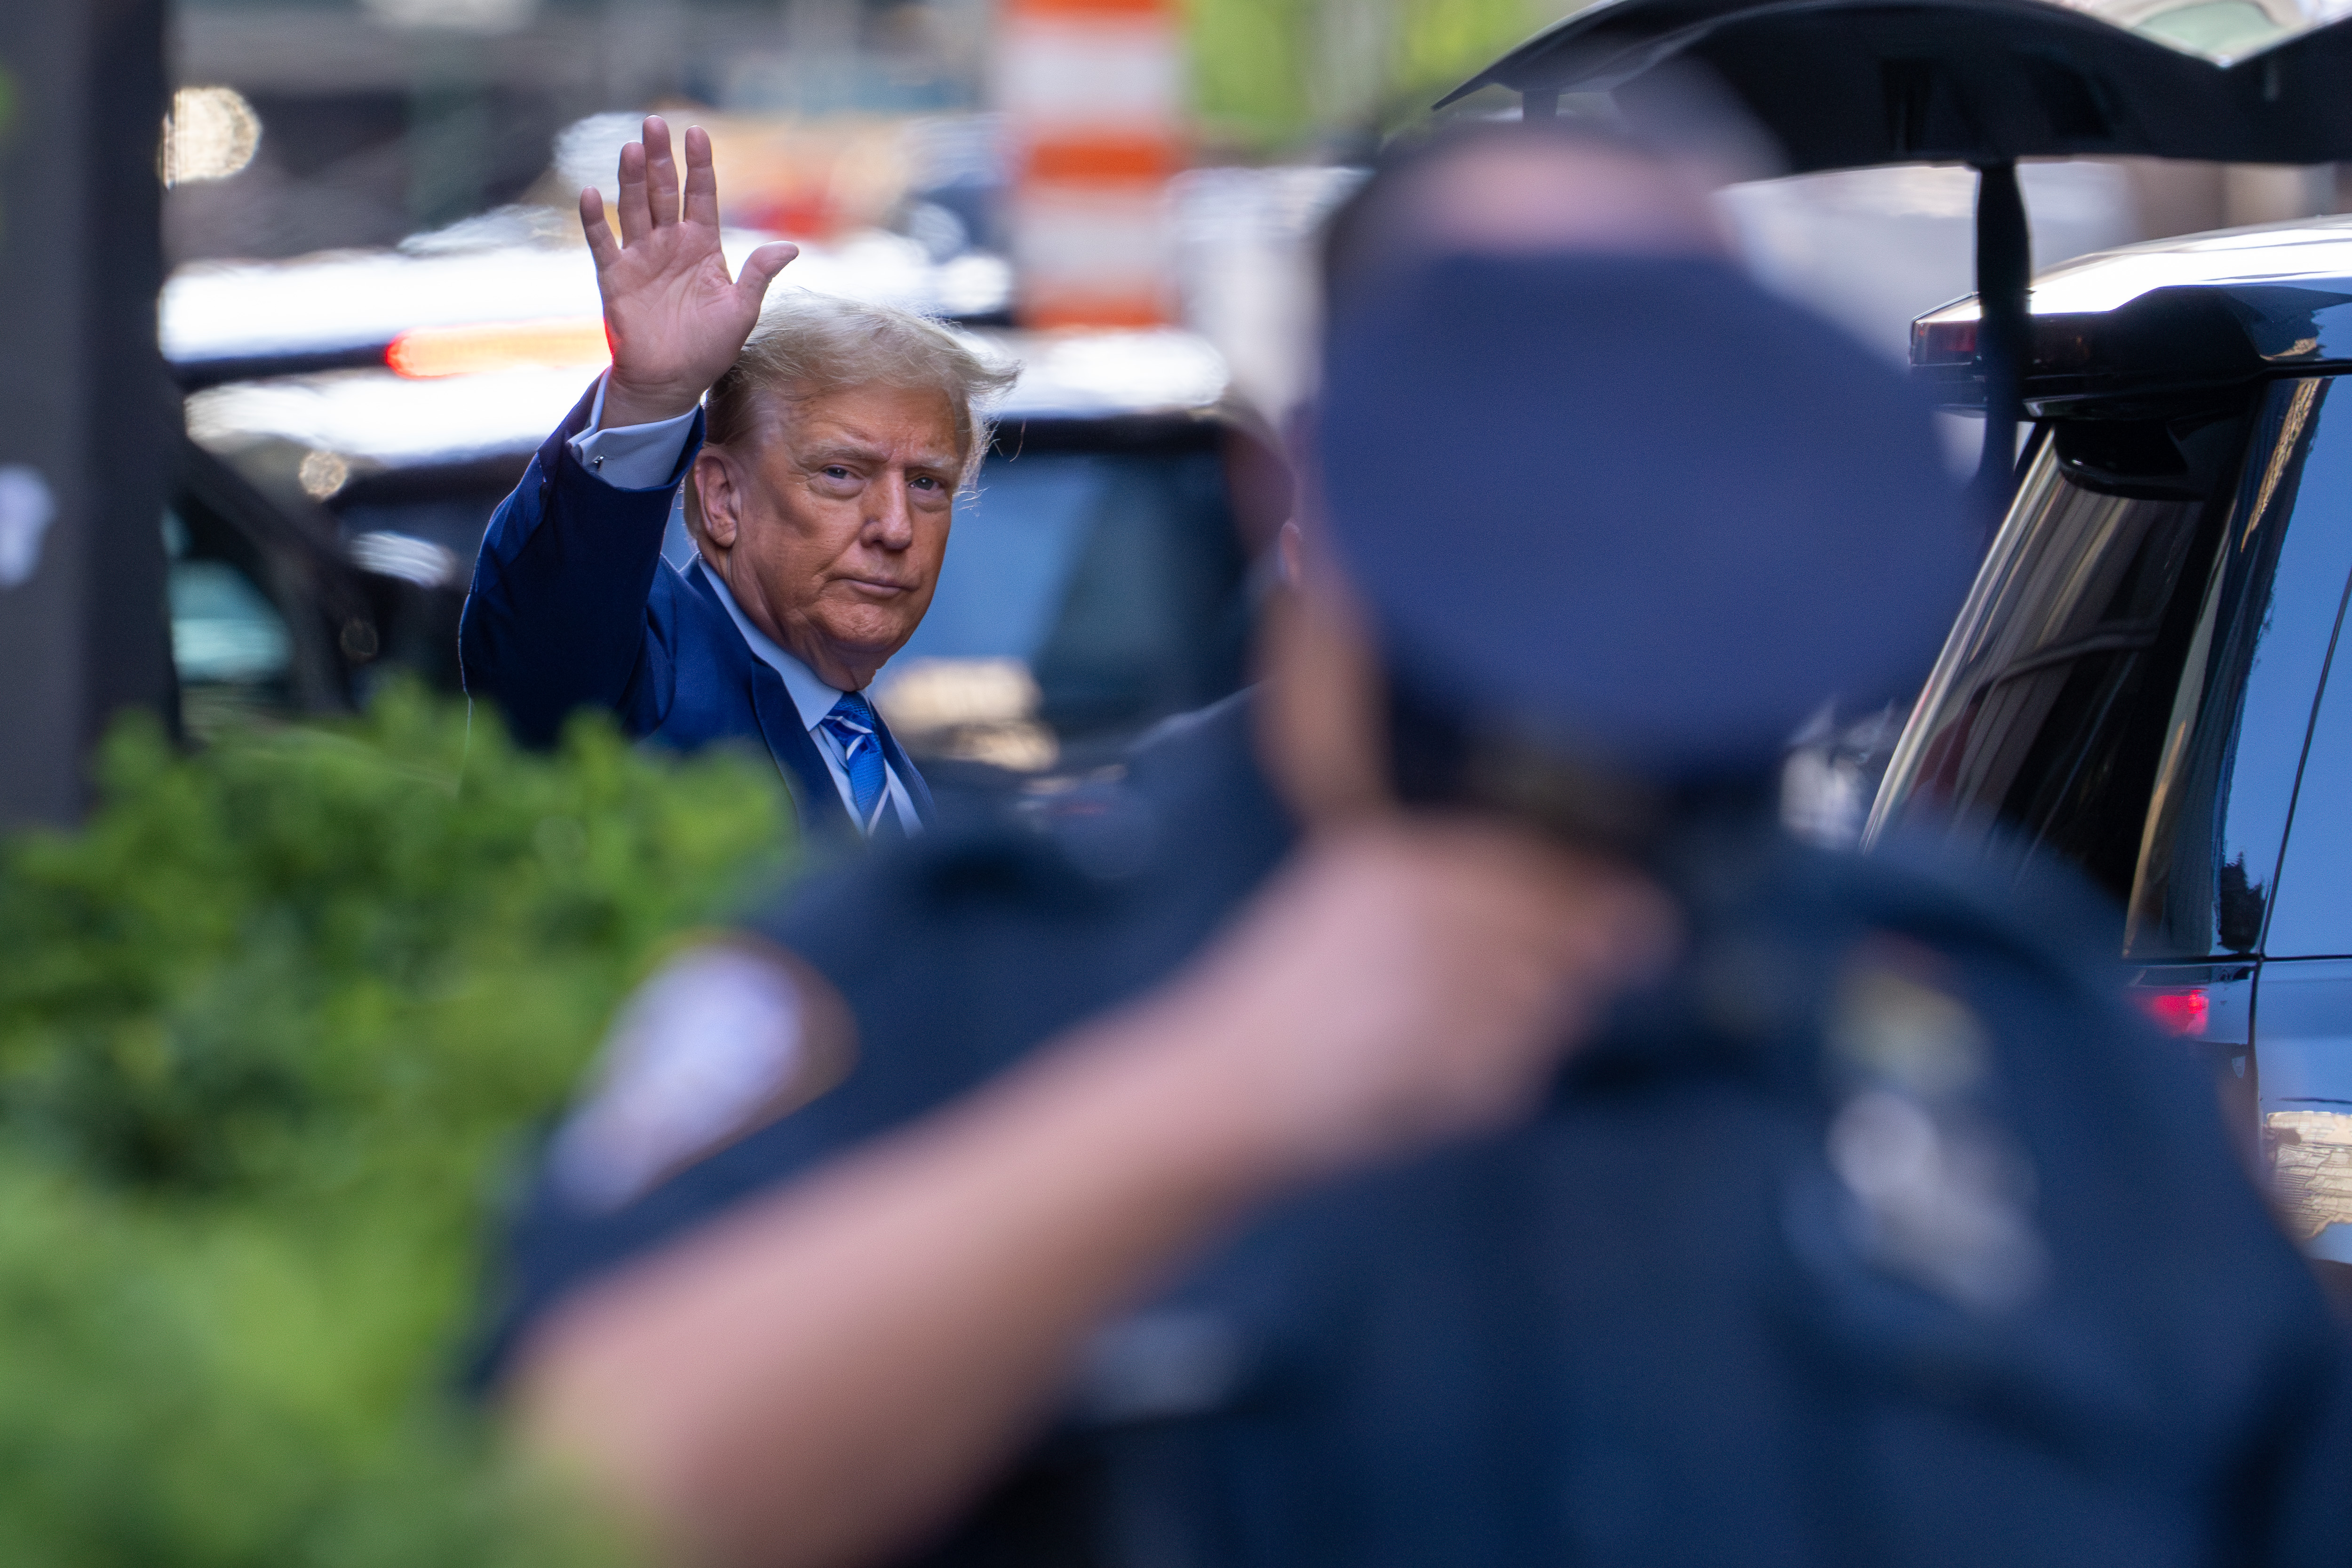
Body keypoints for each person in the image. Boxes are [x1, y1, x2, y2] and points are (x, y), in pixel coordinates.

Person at [476, 129, 2352, 1568]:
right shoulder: (965, 970)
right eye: (1503, 396)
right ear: (1302, 475)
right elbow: (564, 1475)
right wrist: (1206, 1094)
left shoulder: (2006, 1029)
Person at [460, 117, 1016, 845]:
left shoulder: (877, 757)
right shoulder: (645, 675)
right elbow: (553, 653)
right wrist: (648, 402)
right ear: (722, 498)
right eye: (842, 473)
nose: (895, 526)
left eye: (928, 484)